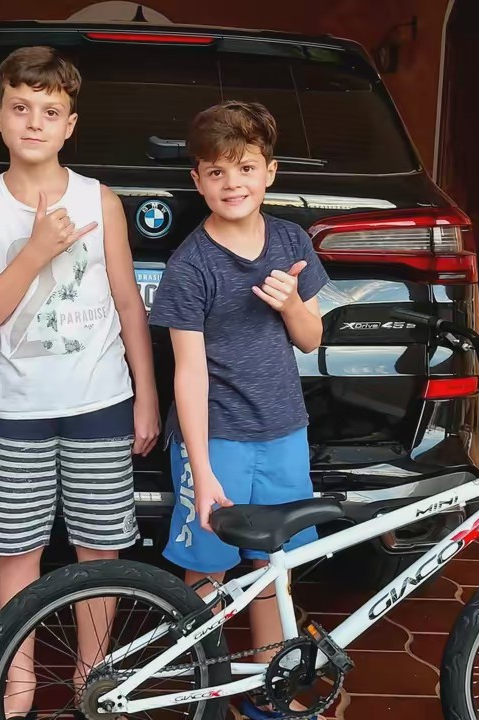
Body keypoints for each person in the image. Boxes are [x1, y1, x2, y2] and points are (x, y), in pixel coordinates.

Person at [0, 46, 160, 718]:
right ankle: (17, 681)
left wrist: (146, 396)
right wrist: (37, 250)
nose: (34, 122)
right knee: (19, 549)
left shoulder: (100, 201)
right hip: (18, 409)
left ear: (70, 125)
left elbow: (129, 304)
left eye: (50, 111)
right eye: (21, 108)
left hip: (101, 401)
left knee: (99, 546)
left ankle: (90, 674)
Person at [148, 100, 329, 720]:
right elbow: (188, 372)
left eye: (246, 168)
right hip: (217, 438)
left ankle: (269, 689)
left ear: (269, 172)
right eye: (217, 171)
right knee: (208, 571)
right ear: (197, 180)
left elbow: (311, 338)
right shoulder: (190, 264)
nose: (233, 183)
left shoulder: (291, 241)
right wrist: (200, 470)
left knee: (273, 566)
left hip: (283, 433)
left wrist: (291, 304)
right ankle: (206, 686)